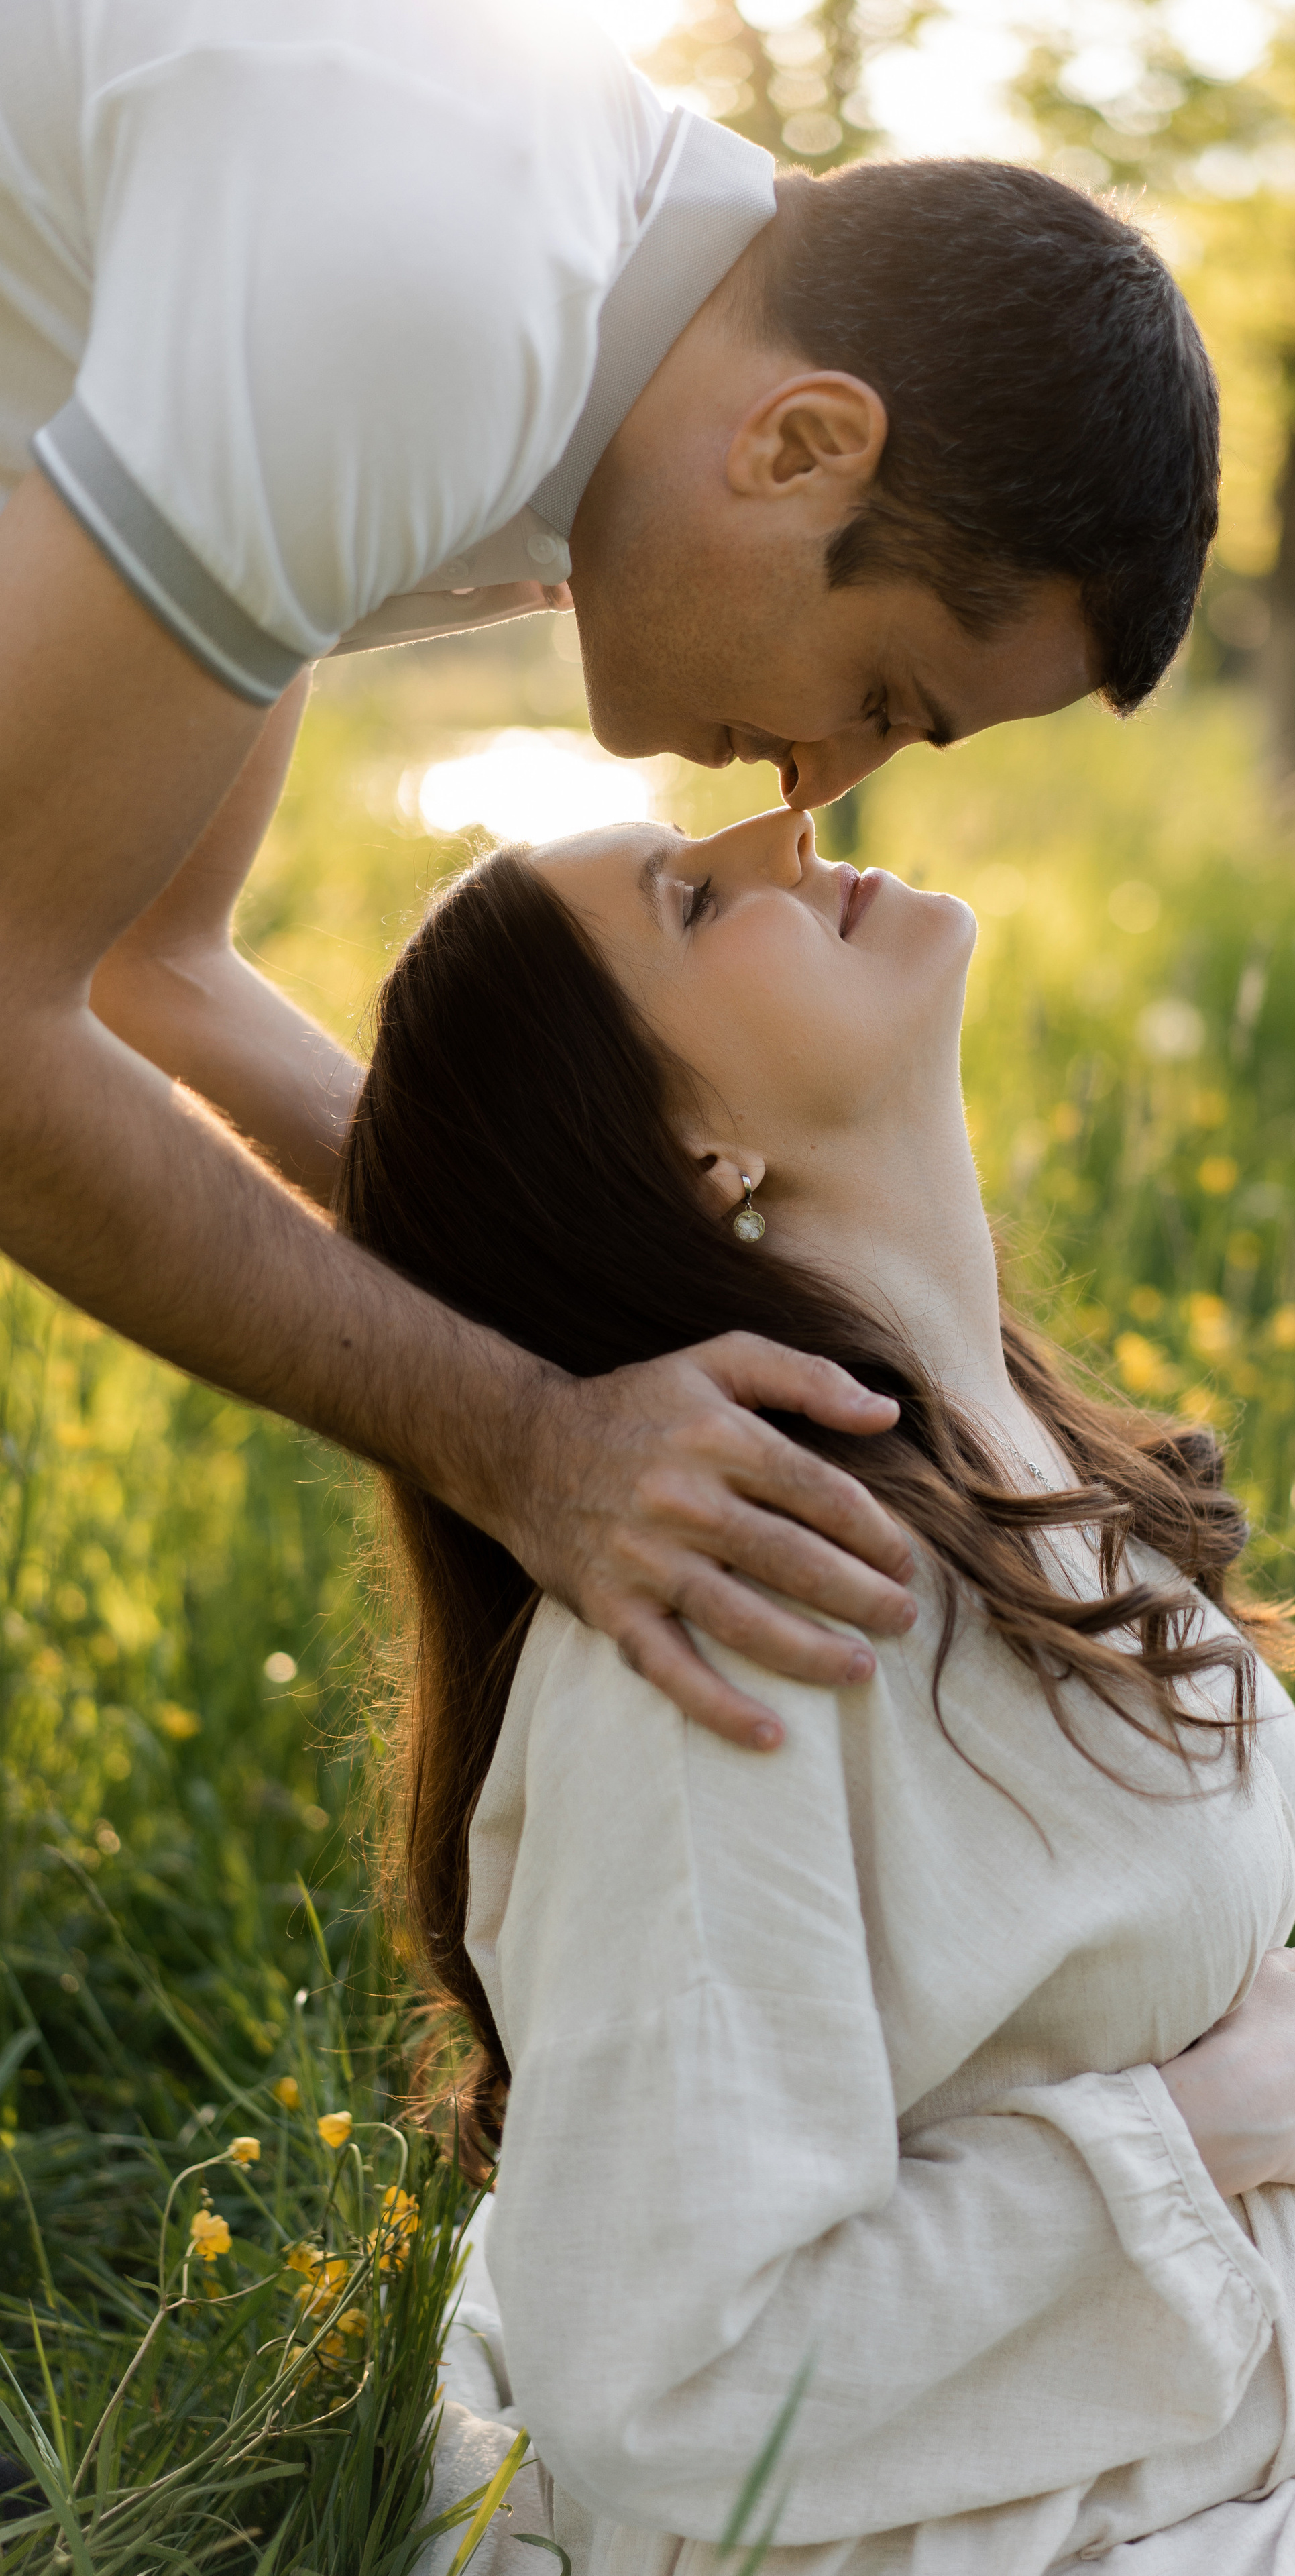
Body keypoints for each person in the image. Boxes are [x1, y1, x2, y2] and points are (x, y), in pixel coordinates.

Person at [341, 811, 1295, 2575]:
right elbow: (677, 2385)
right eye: (694, 899)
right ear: (693, 1160)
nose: (778, 820)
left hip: (1221, 2444)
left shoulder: (993, 1460)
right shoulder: (720, 1633)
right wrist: (1197, 2138)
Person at [0, 0, 1218, 1740]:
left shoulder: (568, 374)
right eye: (880, 698)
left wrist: (596, 1293)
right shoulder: (424, 316)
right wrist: (527, 1445)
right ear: (802, 444)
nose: (820, 788)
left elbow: (155, 960)